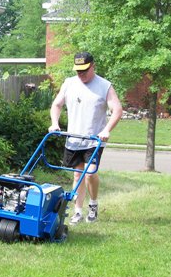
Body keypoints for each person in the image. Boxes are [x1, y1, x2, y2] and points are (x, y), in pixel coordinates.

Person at [48, 52, 122, 225]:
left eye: (84, 71)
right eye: (78, 71)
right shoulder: (69, 83)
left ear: (93, 66)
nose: (81, 74)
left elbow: (117, 110)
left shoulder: (105, 86)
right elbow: (57, 105)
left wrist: (106, 130)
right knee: (77, 175)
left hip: (94, 139)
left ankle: (93, 204)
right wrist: (54, 123)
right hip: (73, 139)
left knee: (90, 173)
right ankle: (78, 212)